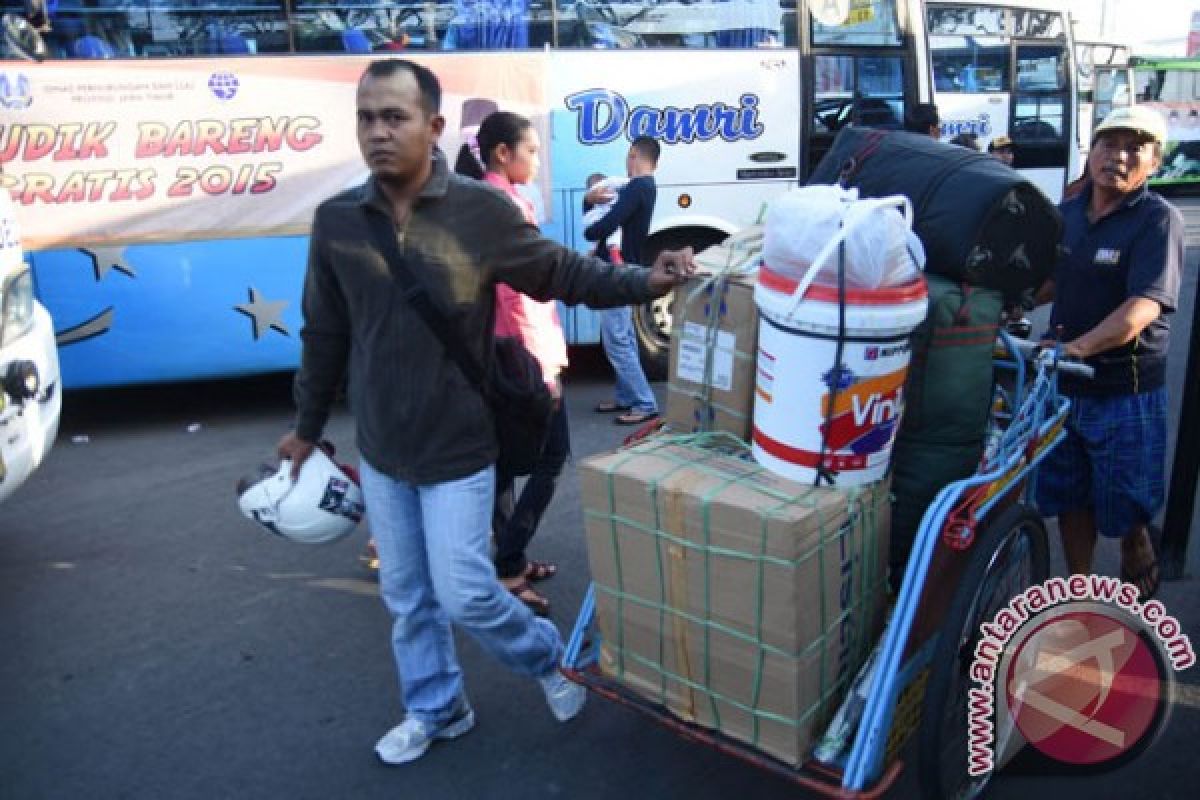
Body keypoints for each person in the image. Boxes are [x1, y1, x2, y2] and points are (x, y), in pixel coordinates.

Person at [278, 58, 695, 766]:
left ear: (435, 127)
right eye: (366, 118)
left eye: (395, 117)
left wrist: (641, 279)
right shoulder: (338, 221)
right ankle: (438, 708)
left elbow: (563, 272)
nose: (378, 132)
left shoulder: (479, 210)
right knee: (408, 598)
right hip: (382, 448)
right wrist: (306, 430)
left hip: (461, 444)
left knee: (467, 591)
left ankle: (546, 658)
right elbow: (325, 334)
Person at [1033, 106, 1182, 604]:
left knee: (1125, 502)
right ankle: (1079, 590)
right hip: (1064, 384)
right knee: (1071, 496)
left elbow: (1142, 308)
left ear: (1154, 163)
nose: (1116, 156)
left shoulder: (1158, 220)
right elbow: (1052, 280)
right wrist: (995, 305)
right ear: (1090, 152)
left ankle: (1137, 541)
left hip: (1125, 390)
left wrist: (1077, 347)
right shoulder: (1070, 213)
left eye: (1132, 148)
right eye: (1107, 144)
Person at [454, 110, 569, 618]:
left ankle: (508, 557)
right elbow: (521, 296)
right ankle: (508, 562)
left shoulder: (484, 200)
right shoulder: (505, 205)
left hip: (496, 353)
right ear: (503, 152)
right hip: (520, 355)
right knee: (551, 454)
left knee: (503, 460)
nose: (538, 158)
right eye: (532, 149)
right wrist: (546, 367)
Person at [583, 135, 662, 426]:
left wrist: (587, 202)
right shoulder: (646, 187)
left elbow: (600, 227)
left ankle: (644, 402)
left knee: (617, 340)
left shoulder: (637, 187)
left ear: (633, 155)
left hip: (616, 274)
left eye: (628, 158)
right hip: (624, 270)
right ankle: (625, 396)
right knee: (623, 336)